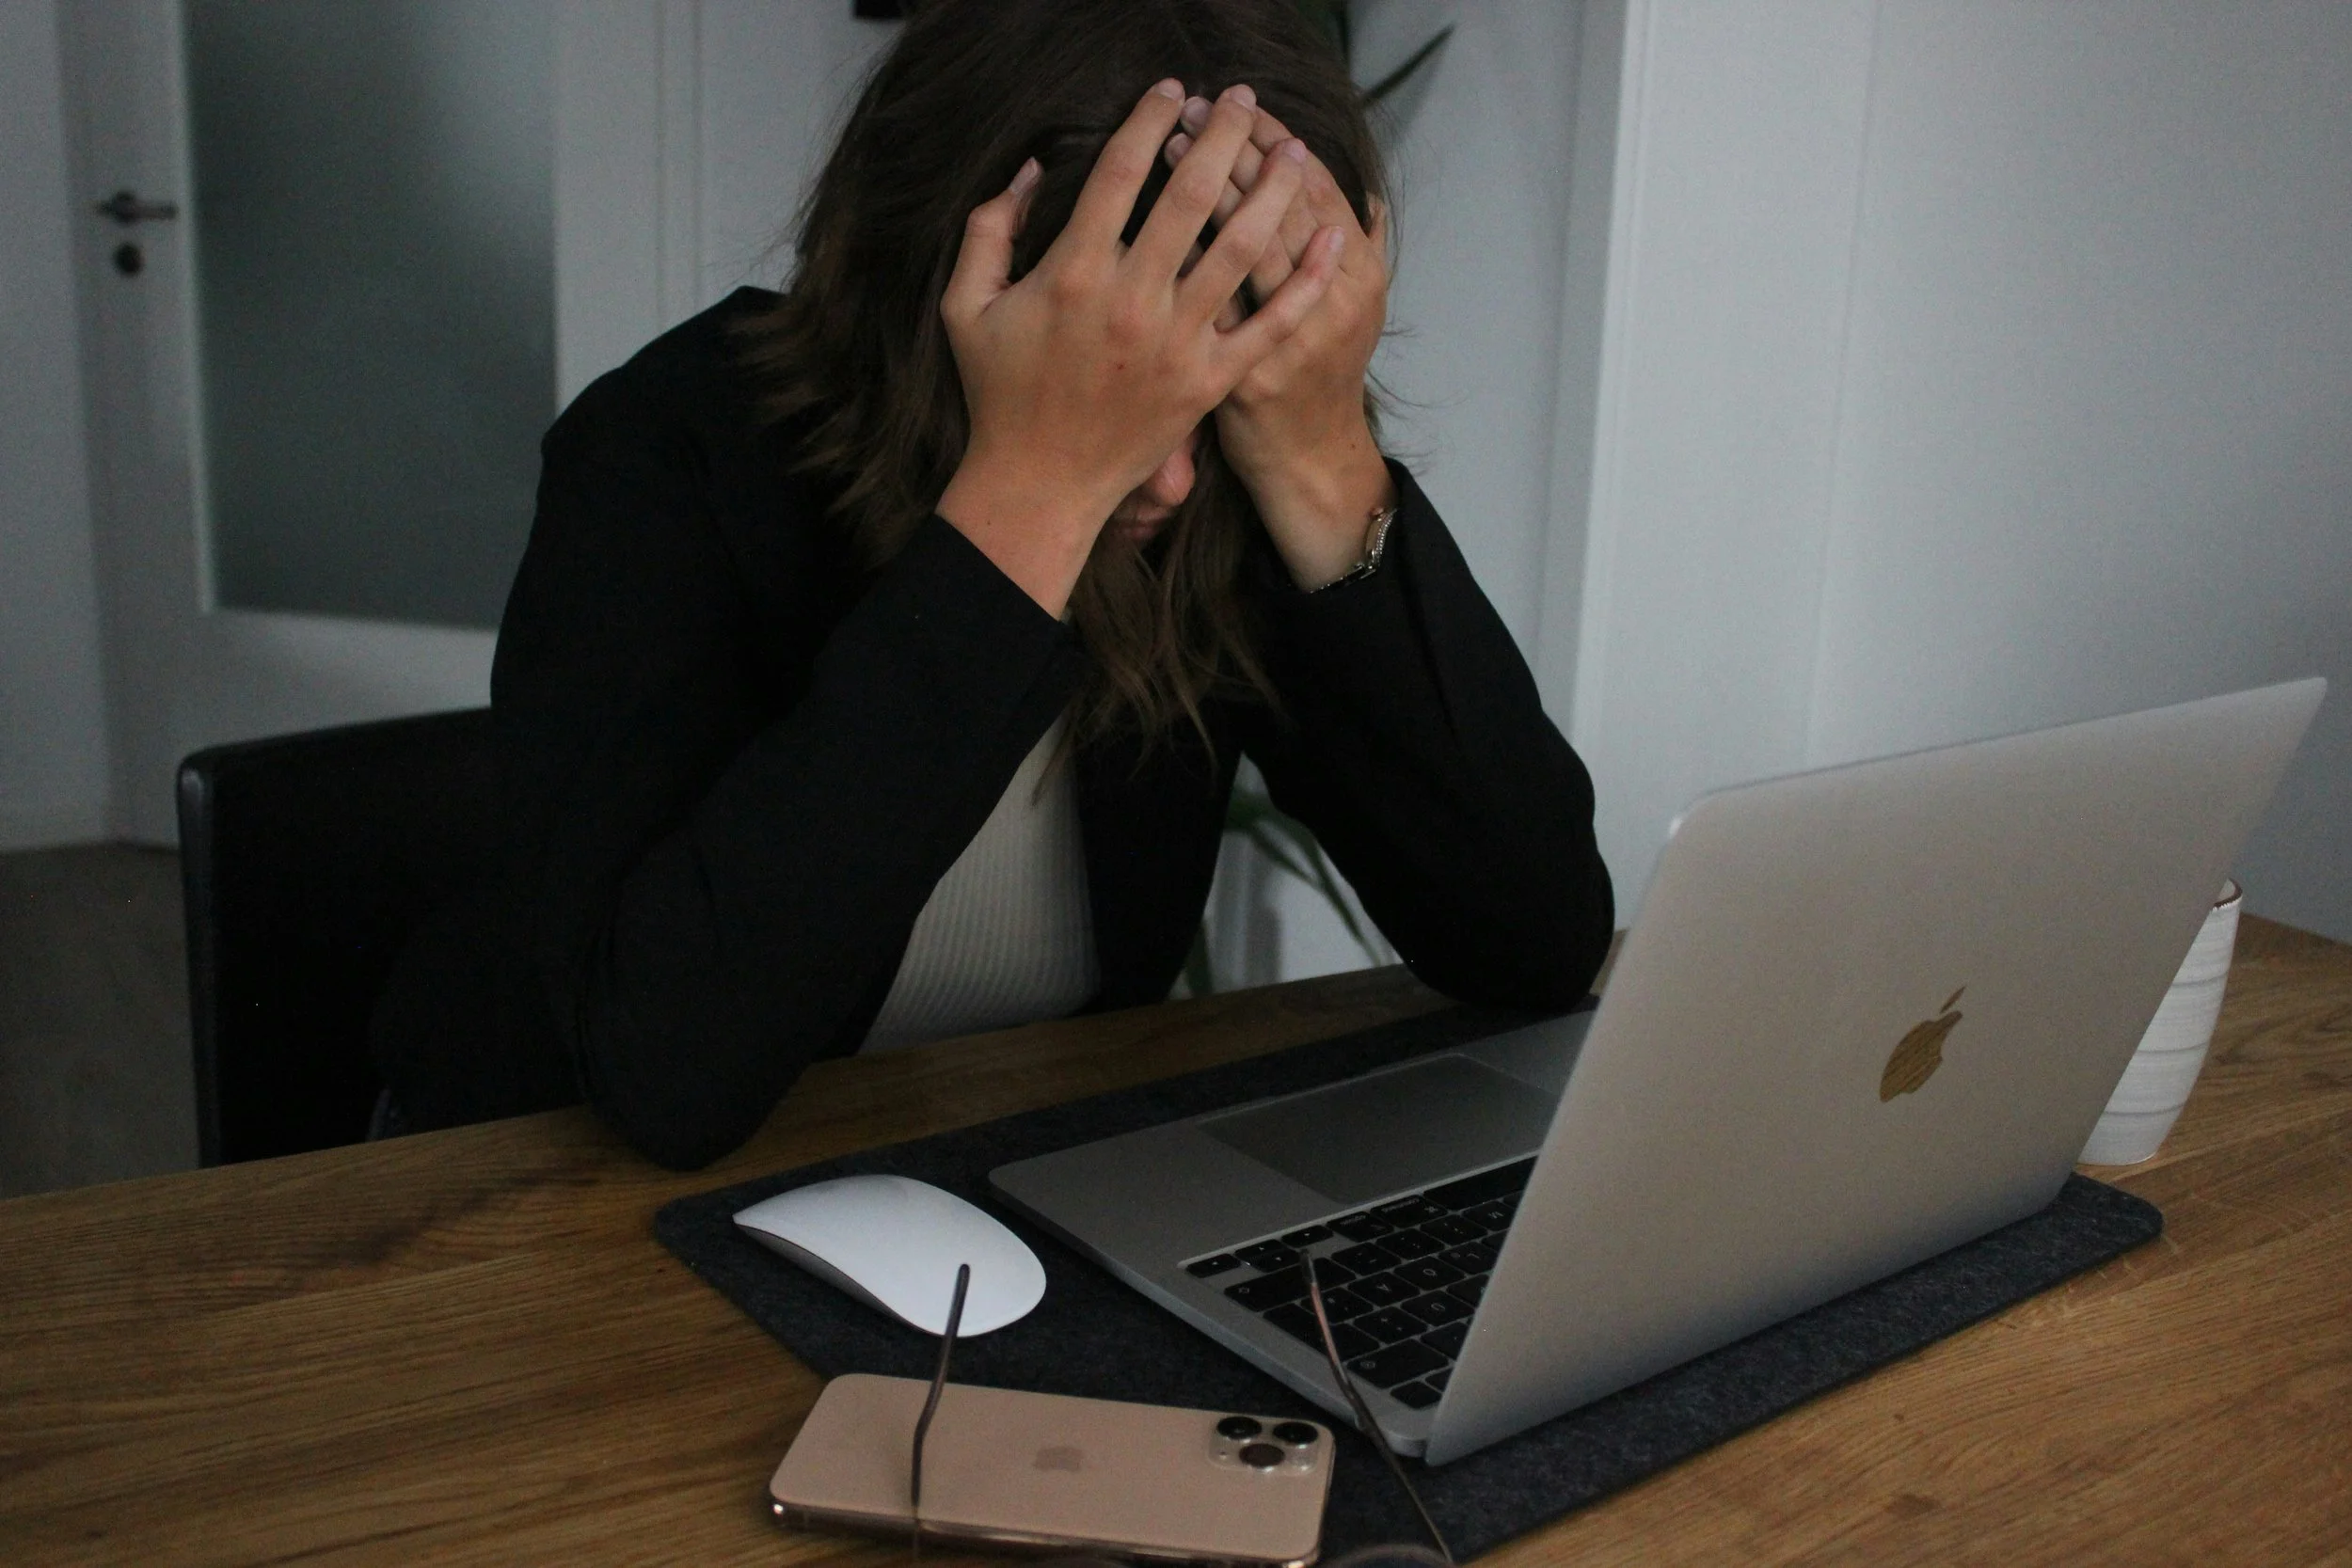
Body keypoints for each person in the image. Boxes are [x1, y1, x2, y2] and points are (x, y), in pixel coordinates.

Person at [370, 0, 1612, 1169]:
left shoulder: (1235, 475)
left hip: (988, 1180)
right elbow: (665, 1071)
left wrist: (1323, 456)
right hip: (540, 1205)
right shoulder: (664, 448)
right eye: (1113, 379)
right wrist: (1032, 504)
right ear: (935, 296)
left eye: (1215, 381)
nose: (1170, 481)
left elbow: (1534, 943)